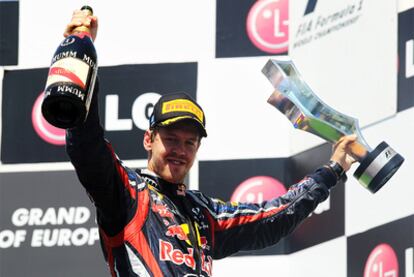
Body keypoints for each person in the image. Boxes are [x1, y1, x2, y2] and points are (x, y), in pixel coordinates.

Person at [64, 9, 357, 277]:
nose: (180, 150)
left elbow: (273, 217)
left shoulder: (201, 213)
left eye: (189, 142)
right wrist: (81, 55)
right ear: (148, 139)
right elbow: (87, 145)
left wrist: (333, 169)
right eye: (170, 140)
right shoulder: (126, 192)